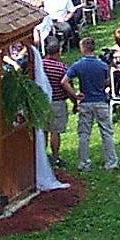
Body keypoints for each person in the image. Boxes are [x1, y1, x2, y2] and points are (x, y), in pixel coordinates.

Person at [61, 38, 119, 172]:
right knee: (107, 133)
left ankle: (84, 163)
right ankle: (111, 162)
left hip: (86, 102)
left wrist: (75, 94)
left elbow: (64, 81)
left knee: (84, 134)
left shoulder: (78, 65)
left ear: (82, 49)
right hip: (101, 101)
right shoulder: (102, 65)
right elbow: (108, 82)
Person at [41, 37, 73, 168]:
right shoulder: (62, 68)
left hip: (42, 102)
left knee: (43, 130)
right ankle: (55, 157)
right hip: (57, 102)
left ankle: (41, 157)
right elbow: (68, 86)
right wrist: (74, 100)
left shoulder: (40, 66)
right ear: (58, 52)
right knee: (55, 131)